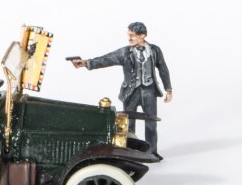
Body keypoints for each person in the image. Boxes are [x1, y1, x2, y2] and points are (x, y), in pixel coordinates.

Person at [70, 22, 172, 160]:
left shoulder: (155, 50)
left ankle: (152, 151)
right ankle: (129, 151)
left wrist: (168, 88)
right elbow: (106, 59)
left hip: (149, 91)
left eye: (132, 35)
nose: (129, 38)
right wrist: (86, 63)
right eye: (128, 34)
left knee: (151, 122)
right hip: (131, 92)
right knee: (128, 124)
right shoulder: (125, 52)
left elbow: (163, 69)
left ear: (142, 35)